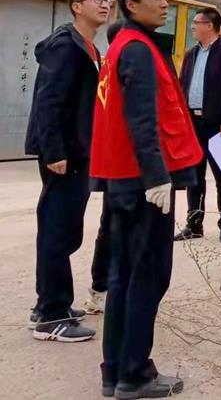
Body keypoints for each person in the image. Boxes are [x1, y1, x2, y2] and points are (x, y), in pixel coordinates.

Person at [91, 0, 202, 398]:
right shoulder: (137, 49)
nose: (164, 3)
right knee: (147, 276)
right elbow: (141, 118)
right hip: (143, 184)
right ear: (131, 4)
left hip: (126, 181)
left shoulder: (125, 45)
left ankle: (116, 371)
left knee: (123, 276)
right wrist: (157, 178)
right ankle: (135, 375)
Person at [25, 0, 109, 342]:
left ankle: (48, 303)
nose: (104, 4)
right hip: (66, 154)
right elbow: (49, 101)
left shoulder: (88, 47)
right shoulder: (65, 46)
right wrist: (54, 151)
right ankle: (52, 316)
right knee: (57, 231)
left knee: (65, 230)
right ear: (76, 6)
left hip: (78, 150)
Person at [175, 7, 221, 244]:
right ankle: (194, 224)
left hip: (218, 126)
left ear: (210, 25)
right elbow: (182, 85)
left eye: (197, 22)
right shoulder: (191, 54)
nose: (193, 27)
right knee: (194, 175)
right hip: (193, 123)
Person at [82, 20, 124, 317]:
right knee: (112, 226)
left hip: (124, 161)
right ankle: (101, 289)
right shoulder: (110, 69)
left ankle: (110, 289)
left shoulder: (112, 64)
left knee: (116, 227)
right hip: (117, 162)